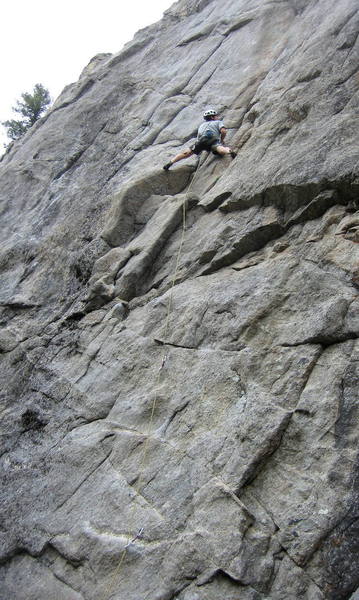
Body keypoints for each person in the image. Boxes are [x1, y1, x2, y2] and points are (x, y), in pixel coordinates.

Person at [163, 108, 236, 170]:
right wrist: (222, 139)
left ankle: (171, 162)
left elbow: (198, 136)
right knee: (220, 148)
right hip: (213, 141)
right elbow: (223, 131)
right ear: (212, 117)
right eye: (216, 116)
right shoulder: (218, 122)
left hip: (200, 142)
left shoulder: (201, 125)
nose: (217, 117)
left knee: (187, 152)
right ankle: (229, 152)